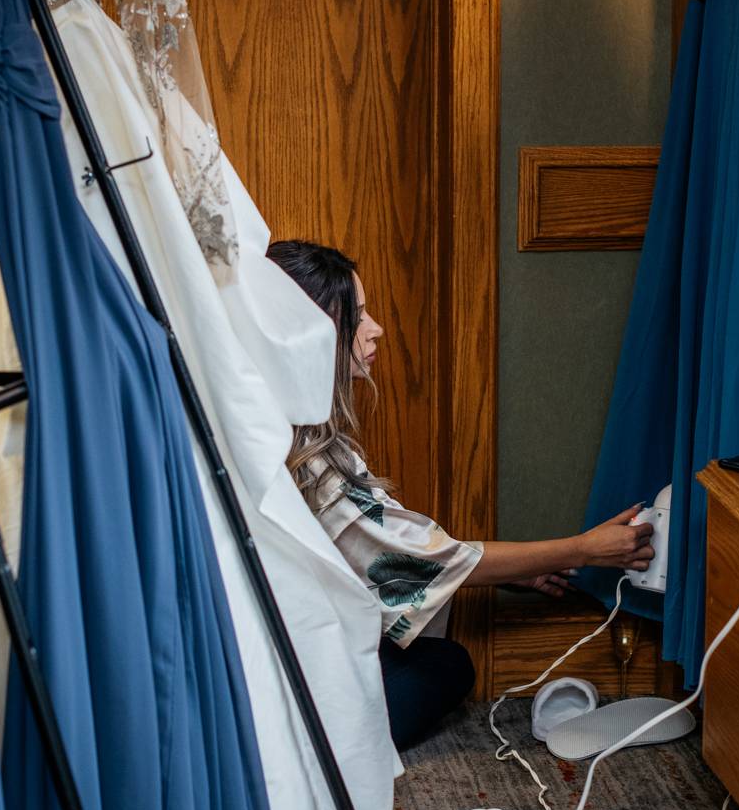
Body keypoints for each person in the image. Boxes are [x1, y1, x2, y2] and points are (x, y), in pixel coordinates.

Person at [266, 240, 653, 749]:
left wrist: (521, 567)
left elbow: (403, 550)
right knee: (448, 667)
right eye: (358, 317)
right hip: (283, 675)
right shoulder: (309, 462)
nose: (376, 327)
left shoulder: (280, 426)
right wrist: (586, 549)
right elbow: (418, 559)